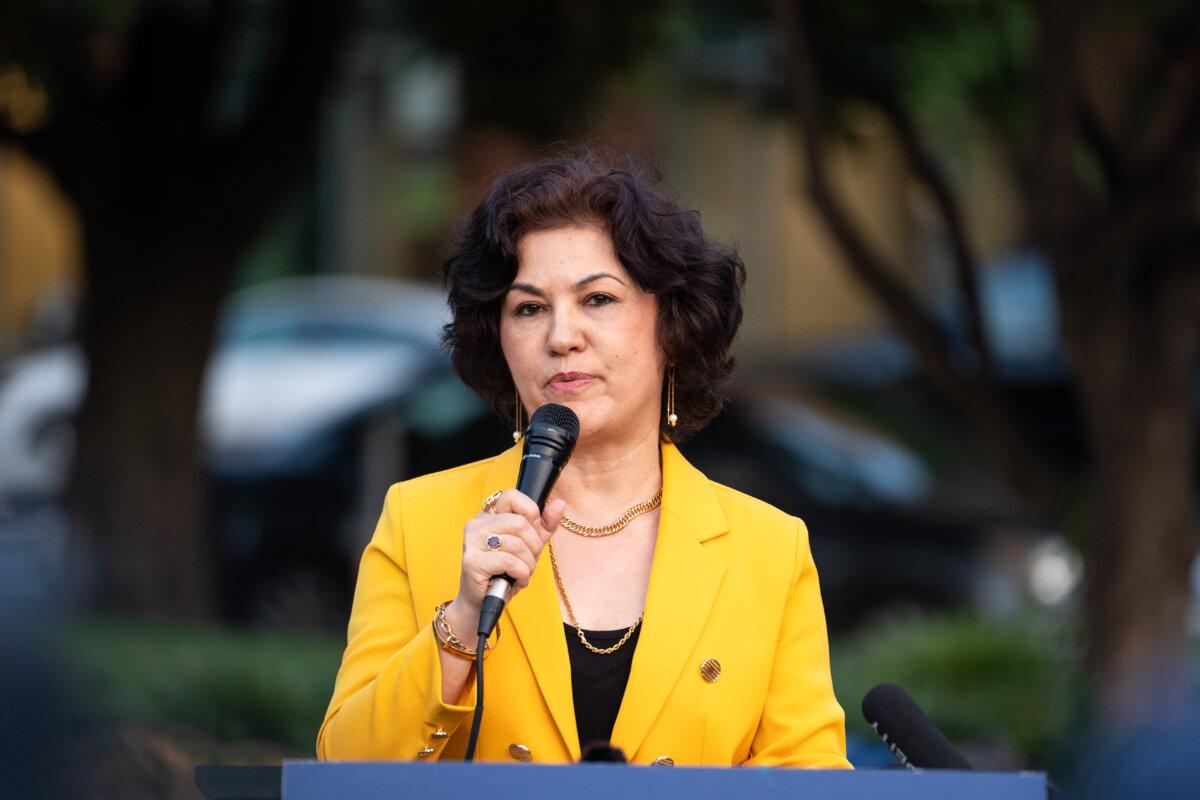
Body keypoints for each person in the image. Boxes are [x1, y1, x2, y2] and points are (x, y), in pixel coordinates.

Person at [317, 148, 850, 768]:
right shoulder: (419, 520)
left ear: (671, 325)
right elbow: (343, 769)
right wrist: (461, 623)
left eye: (597, 299)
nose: (560, 336)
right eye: (528, 308)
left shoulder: (769, 550)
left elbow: (809, 779)